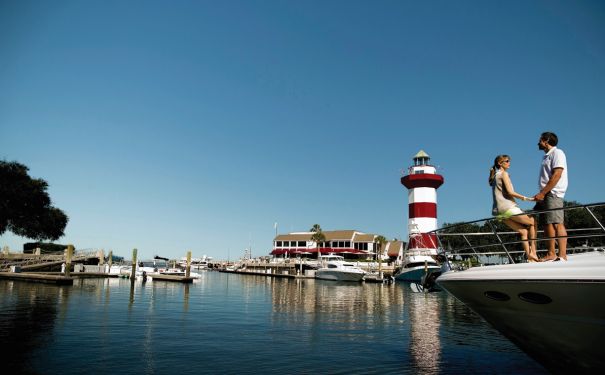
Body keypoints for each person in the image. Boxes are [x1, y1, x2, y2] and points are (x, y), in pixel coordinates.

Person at [489, 154, 538, 262]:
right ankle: (533, 252)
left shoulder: (494, 176)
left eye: (509, 161)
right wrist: (527, 198)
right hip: (507, 207)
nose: (509, 163)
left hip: (498, 212)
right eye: (506, 161)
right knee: (533, 222)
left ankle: (530, 257)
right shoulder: (503, 174)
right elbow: (511, 192)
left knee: (524, 232)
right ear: (499, 163)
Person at [533, 132, 568, 261]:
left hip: (553, 193)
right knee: (547, 224)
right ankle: (551, 253)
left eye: (540, 140)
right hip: (546, 194)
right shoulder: (546, 156)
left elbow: (557, 174)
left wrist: (543, 193)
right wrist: (541, 194)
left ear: (546, 141)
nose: (538, 142)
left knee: (557, 223)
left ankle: (562, 254)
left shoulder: (557, 153)